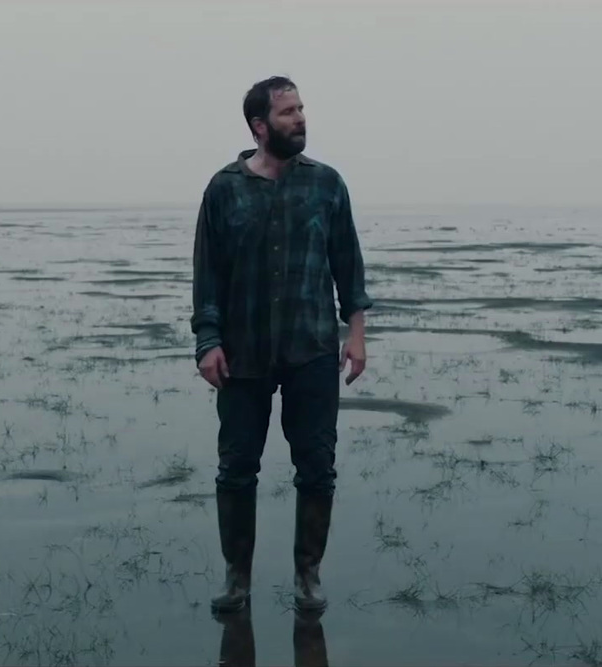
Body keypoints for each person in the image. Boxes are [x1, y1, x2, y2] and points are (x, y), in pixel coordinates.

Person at [190, 75, 373, 614]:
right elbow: (207, 276)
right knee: (236, 467)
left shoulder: (327, 185)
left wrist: (356, 337)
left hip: (311, 350)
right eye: (289, 111)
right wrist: (207, 342)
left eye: (301, 108)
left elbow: (349, 267)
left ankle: (307, 576)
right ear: (259, 126)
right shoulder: (224, 188)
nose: (300, 118)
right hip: (242, 356)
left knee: (317, 465)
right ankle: (237, 578)